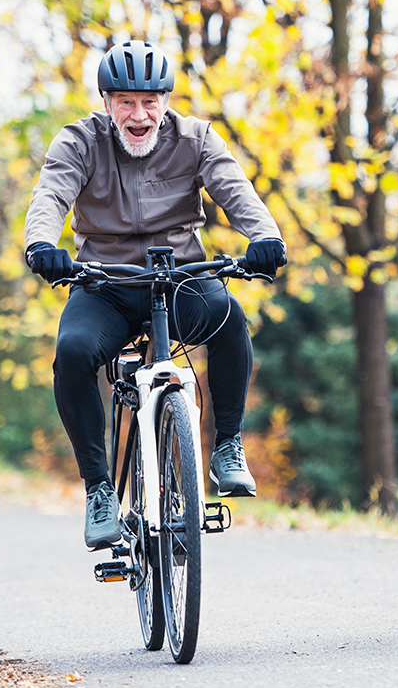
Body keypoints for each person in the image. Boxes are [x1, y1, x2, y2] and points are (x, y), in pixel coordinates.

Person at [23, 39, 287, 550]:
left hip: (180, 278)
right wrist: (41, 245)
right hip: (105, 284)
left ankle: (227, 446)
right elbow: (51, 193)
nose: (138, 114)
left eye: (150, 101)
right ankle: (99, 489)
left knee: (229, 319)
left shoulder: (196, 137)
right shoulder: (78, 141)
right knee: (73, 353)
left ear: (165, 101)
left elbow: (235, 189)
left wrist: (266, 237)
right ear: (106, 103)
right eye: (125, 101)